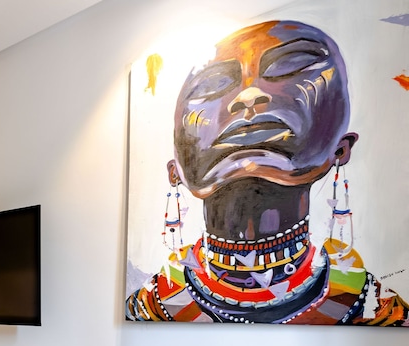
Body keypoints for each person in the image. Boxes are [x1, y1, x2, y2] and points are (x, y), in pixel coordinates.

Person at [126, 20, 408, 324]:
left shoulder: (379, 312)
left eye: (291, 66)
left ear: (340, 149)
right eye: (212, 85)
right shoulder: (147, 310)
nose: (248, 96)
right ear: (176, 170)